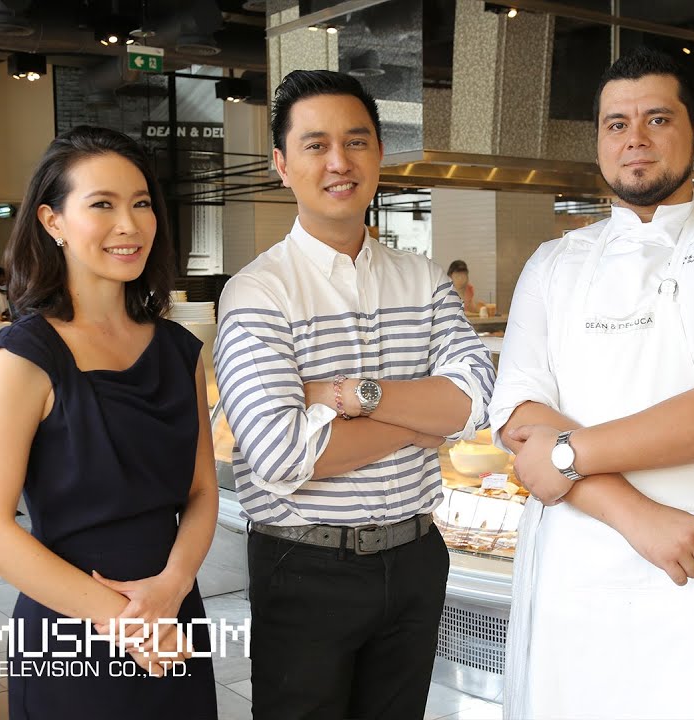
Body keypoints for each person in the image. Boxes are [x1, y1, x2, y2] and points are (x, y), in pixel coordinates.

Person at [489, 48, 694, 719]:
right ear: (599, 141)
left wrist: (566, 455)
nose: (634, 138)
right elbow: (521, 416)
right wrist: (638, 517)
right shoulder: (552, 263)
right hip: (580, 575)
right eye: (616, 124)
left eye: (657, 119)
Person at [214, 69, 495, 719]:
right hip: (304, 565)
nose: (339, 161)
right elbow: (281, 454)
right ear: (282, 164)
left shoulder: (423, 279)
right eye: (315, 145)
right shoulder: (259, 292)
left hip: (416, 557)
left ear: (378, 154)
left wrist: (353, 397)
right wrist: (423, 422)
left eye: (356, 141)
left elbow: (476, 398)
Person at [0, 126, 218, 719]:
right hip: (74, 626)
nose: (130, 224)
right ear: (52, 221)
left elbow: (203, 490)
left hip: (173, 615)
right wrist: (130, 623)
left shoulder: (178, 350)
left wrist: (173, 588)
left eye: (142, 203)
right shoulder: (26, 355)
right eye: (103, 204)